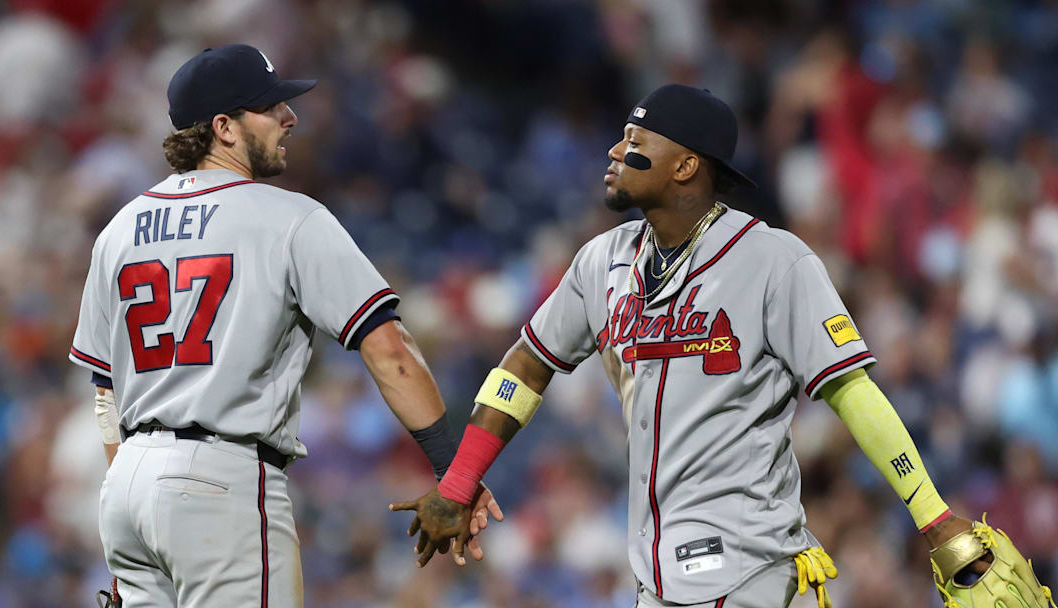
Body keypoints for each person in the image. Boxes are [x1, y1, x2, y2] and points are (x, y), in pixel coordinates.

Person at [390, 85, 1049, 607]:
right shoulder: (604, 261)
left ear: (685, 165)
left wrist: (932, 516)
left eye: (634, 140)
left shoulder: (774, 260)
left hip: (743, 562)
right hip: (655, 567)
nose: (615, 154)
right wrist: (458, 480)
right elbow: (526, 365)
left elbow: (851, 390)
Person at [69, 44, 500, 607]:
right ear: (222, 127)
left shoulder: (117, 232)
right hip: (221, 482)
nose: (289, 117)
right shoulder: (289, 217)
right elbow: (390, 351)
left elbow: (106, 398)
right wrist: (453, 469)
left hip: (126, 490)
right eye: (269, 106)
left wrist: (125, 494)